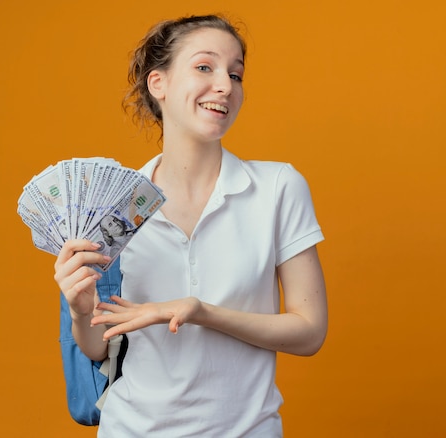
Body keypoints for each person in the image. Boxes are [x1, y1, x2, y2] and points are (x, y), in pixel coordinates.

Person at [54, 14, 327, 437]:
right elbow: (98, 347)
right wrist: (79, 310)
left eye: (235, 74)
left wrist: (202, 313)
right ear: (158, 84)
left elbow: (309, 332)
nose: (225, 85)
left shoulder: (277, 187)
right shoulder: (114, 207)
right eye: (205, 67)